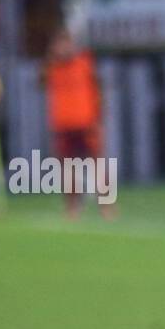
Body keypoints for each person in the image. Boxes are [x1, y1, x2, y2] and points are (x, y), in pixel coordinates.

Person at [44, 26, 114, 220]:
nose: (63, 48)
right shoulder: (51, 68)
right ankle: (73, 206)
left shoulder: (85, 62)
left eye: (66, 44)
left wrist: (99, 118)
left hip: (86, 123)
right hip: (62, 125)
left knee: (96, 165)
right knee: (67, 168)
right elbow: (39, 82)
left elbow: (98, 89)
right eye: (59, 45)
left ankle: (106, 205)